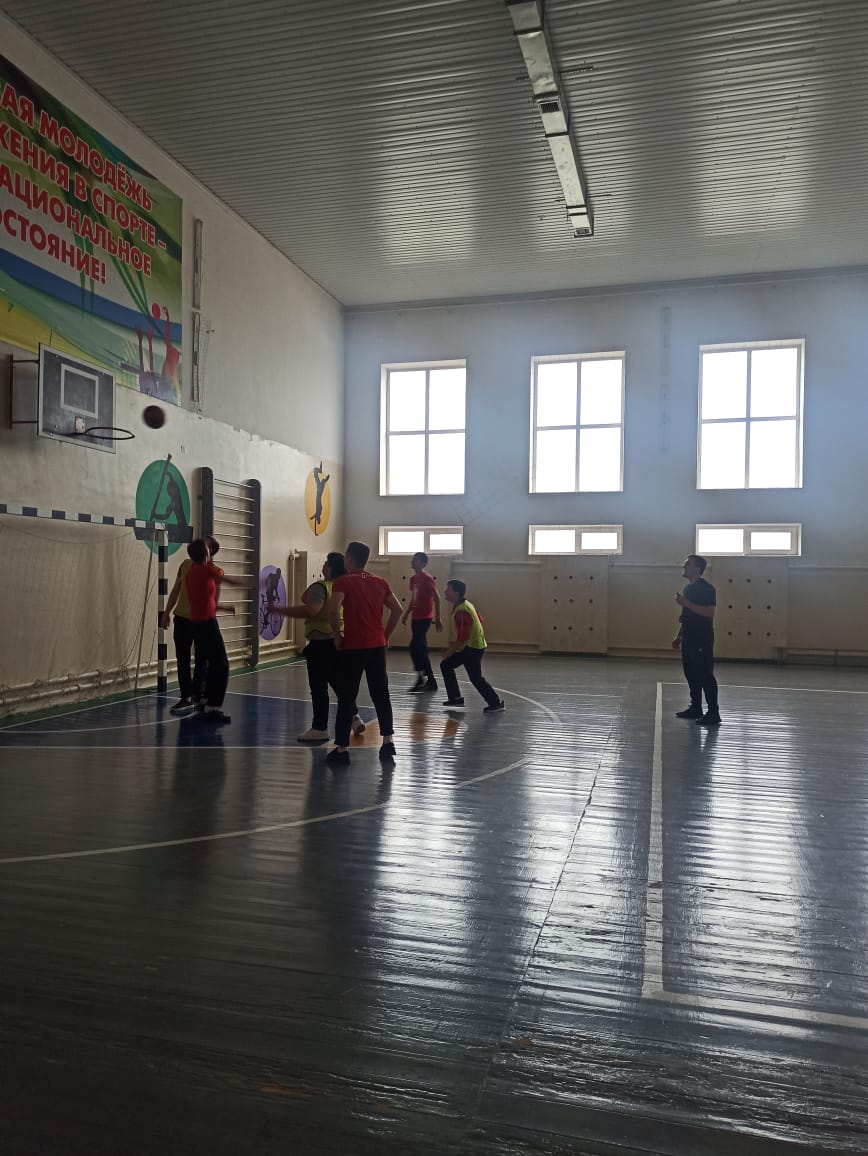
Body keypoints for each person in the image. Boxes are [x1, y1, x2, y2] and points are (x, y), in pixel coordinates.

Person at [272, 552, 366, 743]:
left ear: (330, 567)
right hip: (339, 640)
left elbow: (311, 610)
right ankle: (354, 717)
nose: (323, 565)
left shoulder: (320, 587)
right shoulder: (342, 587)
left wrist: (282, 610)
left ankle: (320, 728)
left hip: (321, 643)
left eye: (326, 562)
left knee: (318, 687)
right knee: (340, 683)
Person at [326, 541, 403, 765]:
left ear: (349, 558)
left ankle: (342, 748)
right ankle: (388, 742)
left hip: (353, 647)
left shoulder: (342, 582)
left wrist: (337, 635)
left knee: (347, 696)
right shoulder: (380, 582)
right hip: (376, 647)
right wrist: (385, 635)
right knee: (381, 693)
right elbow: (397, 609)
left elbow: (333, 610)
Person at [185, 538, 247, 724]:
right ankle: (213, 706)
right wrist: (252, 583)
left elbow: (204, 601)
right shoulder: (206, 570)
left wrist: (223, 608)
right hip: (207, 623)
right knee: (222, 664)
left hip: (197, 623)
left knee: (212, 664)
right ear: (205, 553)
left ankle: (205, 700)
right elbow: (229, 581)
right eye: (207, 548)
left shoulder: (191, 572)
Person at [161, 536, 222, 714]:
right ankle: (186, 697)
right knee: (183, 659)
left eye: (205, 544)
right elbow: (175, 590)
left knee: (202, 659)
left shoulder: (215, 571)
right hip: (181, 619)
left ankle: (197, 695)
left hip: (202, 621)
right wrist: (166, 612)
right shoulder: (185, 565)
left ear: (210, 551)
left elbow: (214, 601)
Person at [440, 580, 505, 713]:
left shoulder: (462, 610)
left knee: (475, 677)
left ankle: (495, 703)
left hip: (472, 648)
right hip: (470, 646)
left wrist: (450, 651)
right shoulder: (466, 605)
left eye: (448, 590)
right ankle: (455, 698)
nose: (445, 592)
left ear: (456, 593)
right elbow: (479, 619)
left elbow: (463, 636)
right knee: (446, 666)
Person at [672, 554, 721, 726]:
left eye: (688, 564)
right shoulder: (688, 589)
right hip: (689, 638)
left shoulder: (707, 589)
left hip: (701, 638)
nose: (684, 566)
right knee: (691, 674)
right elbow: (686, 616)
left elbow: (709, 613)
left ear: (697, 569)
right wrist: (679, 637)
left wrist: (685, 603)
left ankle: (713, 712)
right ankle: (696, 707)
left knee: (705, 675)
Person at [401, 551, 443, 692]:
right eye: (413, 559)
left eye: (416, 560)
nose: (413, 561)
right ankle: (426, 679)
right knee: (421, 649)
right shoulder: (413, 579)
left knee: (415, 647)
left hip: (425, 618)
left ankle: (426, 678)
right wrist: (406, 613)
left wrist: (438, 618)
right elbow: (414, 600)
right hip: (415, 618)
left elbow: (437, 598)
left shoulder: (427, 579)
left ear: (423, 564)